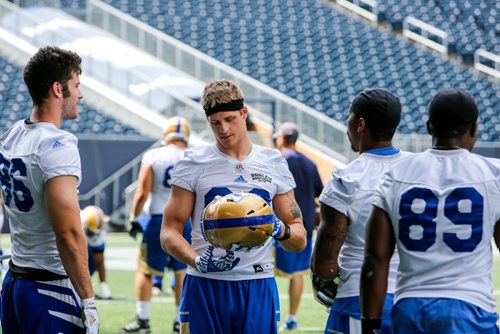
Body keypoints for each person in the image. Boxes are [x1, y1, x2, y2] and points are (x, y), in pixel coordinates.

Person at [160, 79, 307, 334]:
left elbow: (299, 238)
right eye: (215, 123)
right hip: (205, 284)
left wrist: (278, 228)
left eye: (230, 119)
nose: (223, 129)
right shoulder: (193, 163)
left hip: (257, 282)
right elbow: (168, 232)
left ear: (244, 113)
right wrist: (197, 261)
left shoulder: (273, 162)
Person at [360, 88, 500, 333]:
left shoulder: (396, 174)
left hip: (411, 310)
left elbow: (375, 260)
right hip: (469, 308)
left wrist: (370, 326)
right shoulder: (493, 175)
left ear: (429, 127)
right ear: (475, 129)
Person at [0, 46, 99, 333]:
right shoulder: (58, 144)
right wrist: (89, 300)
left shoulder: (12, 135)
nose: (80, 94)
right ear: (58, 89)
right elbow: (67, 233)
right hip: (48, 287)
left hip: (16, 281)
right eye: (76, 85)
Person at [311, 88, 410, 333]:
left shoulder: (347, 179)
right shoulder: (418, 169)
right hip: (413, 300)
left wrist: (327, 278)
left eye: (350, 117)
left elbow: (324, 264)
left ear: (360, 123)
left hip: (359, 299)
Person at [121, 116, 192, 334]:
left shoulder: (154, 155)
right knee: (183, 272)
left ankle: (143, 320)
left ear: (166, 134)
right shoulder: (194, 156)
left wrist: (133, 218)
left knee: (146, 270)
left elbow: (142, 191)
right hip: (185, 220)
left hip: (157, 218)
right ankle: (180, 321)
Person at [272, 122, 323, 331]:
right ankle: (292, 316)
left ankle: (272, 316)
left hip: (278, 225)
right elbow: (320, 193)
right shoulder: (310, 163)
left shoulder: (277, 160)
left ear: (282, 139)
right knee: (298, 273)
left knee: (267, 270)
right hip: (305, 225)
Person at [81, 205, 112, 300]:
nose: (94, 235)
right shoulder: (77, 221)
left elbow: (100, 260)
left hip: (88, 250)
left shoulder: (99, 232)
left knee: (96, 260)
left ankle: (102, 286)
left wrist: (103, 285)